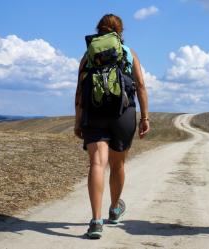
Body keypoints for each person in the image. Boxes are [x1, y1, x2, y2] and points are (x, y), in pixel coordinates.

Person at [74, 14, 150, 239]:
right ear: (120, 31)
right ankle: (115, 209)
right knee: (118, 165)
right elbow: (142, 86)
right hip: (123, 114)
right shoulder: (128, 53)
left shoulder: (88, 55)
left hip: (94, 113)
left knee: (97, 163)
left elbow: (79, 91)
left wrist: (78, 120)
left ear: (98, 30)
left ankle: (96, 221)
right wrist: (145, 117)